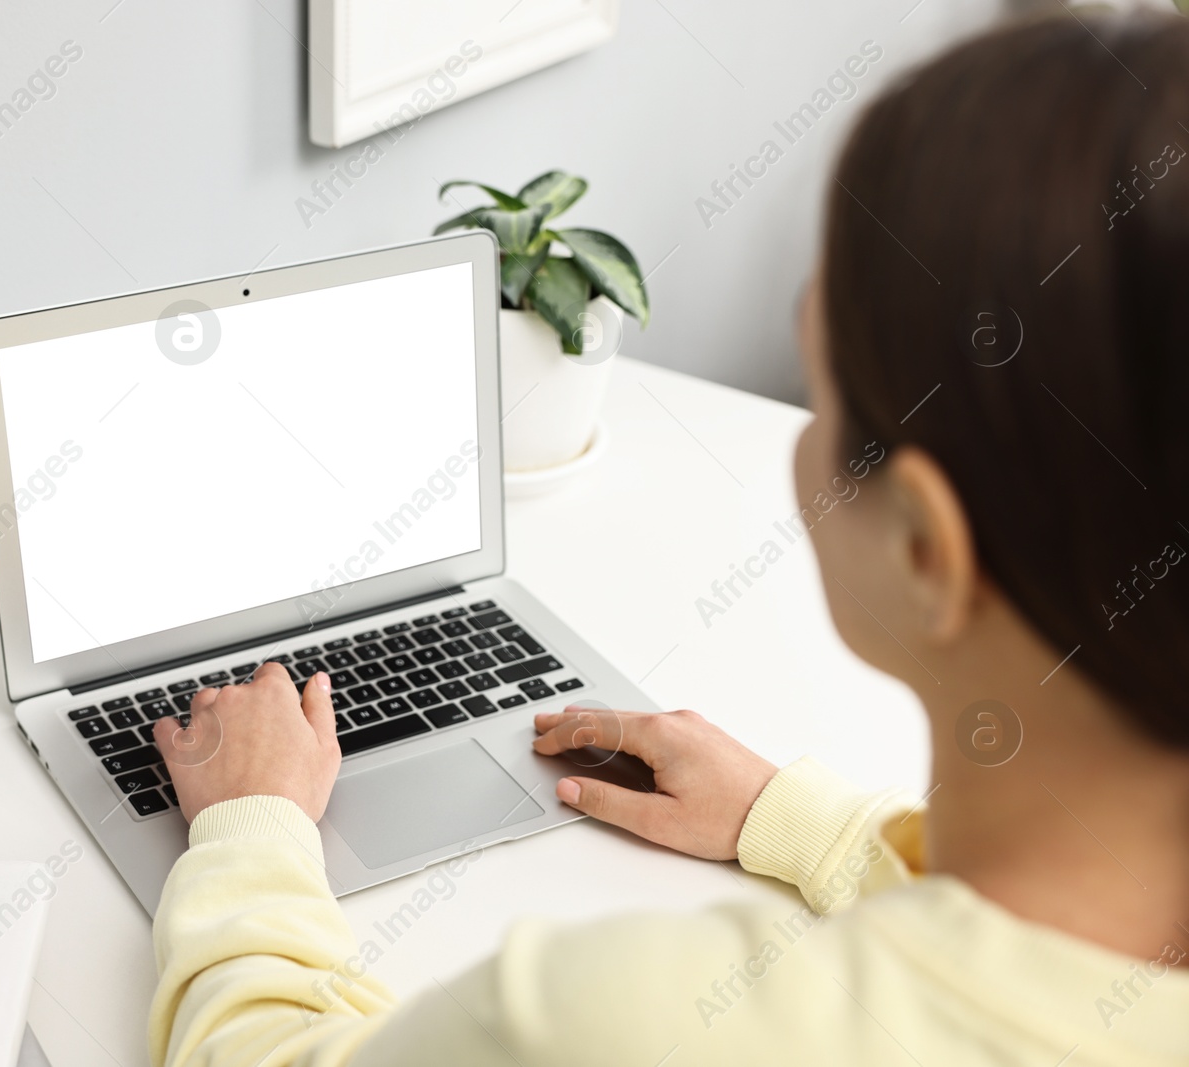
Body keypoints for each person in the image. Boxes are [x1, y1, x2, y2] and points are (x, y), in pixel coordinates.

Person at [145, 10, 1189, 1065]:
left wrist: (254, 827)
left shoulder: (627, 1023)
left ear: (923, 547)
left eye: (819, 394)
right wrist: (803, 823)